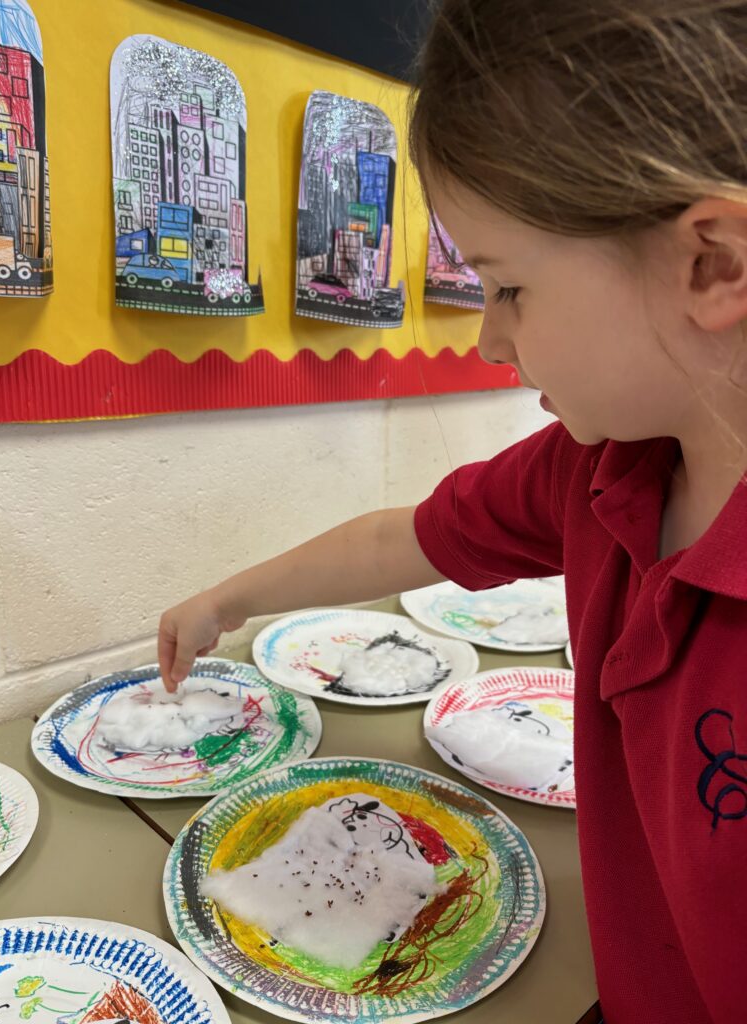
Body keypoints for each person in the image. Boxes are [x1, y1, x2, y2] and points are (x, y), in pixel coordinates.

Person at [157, 2, 747, 1020]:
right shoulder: (599, 467)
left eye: (511, 286)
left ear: (713, 264)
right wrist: (230, 596)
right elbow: (410, 535)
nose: (487, 340)